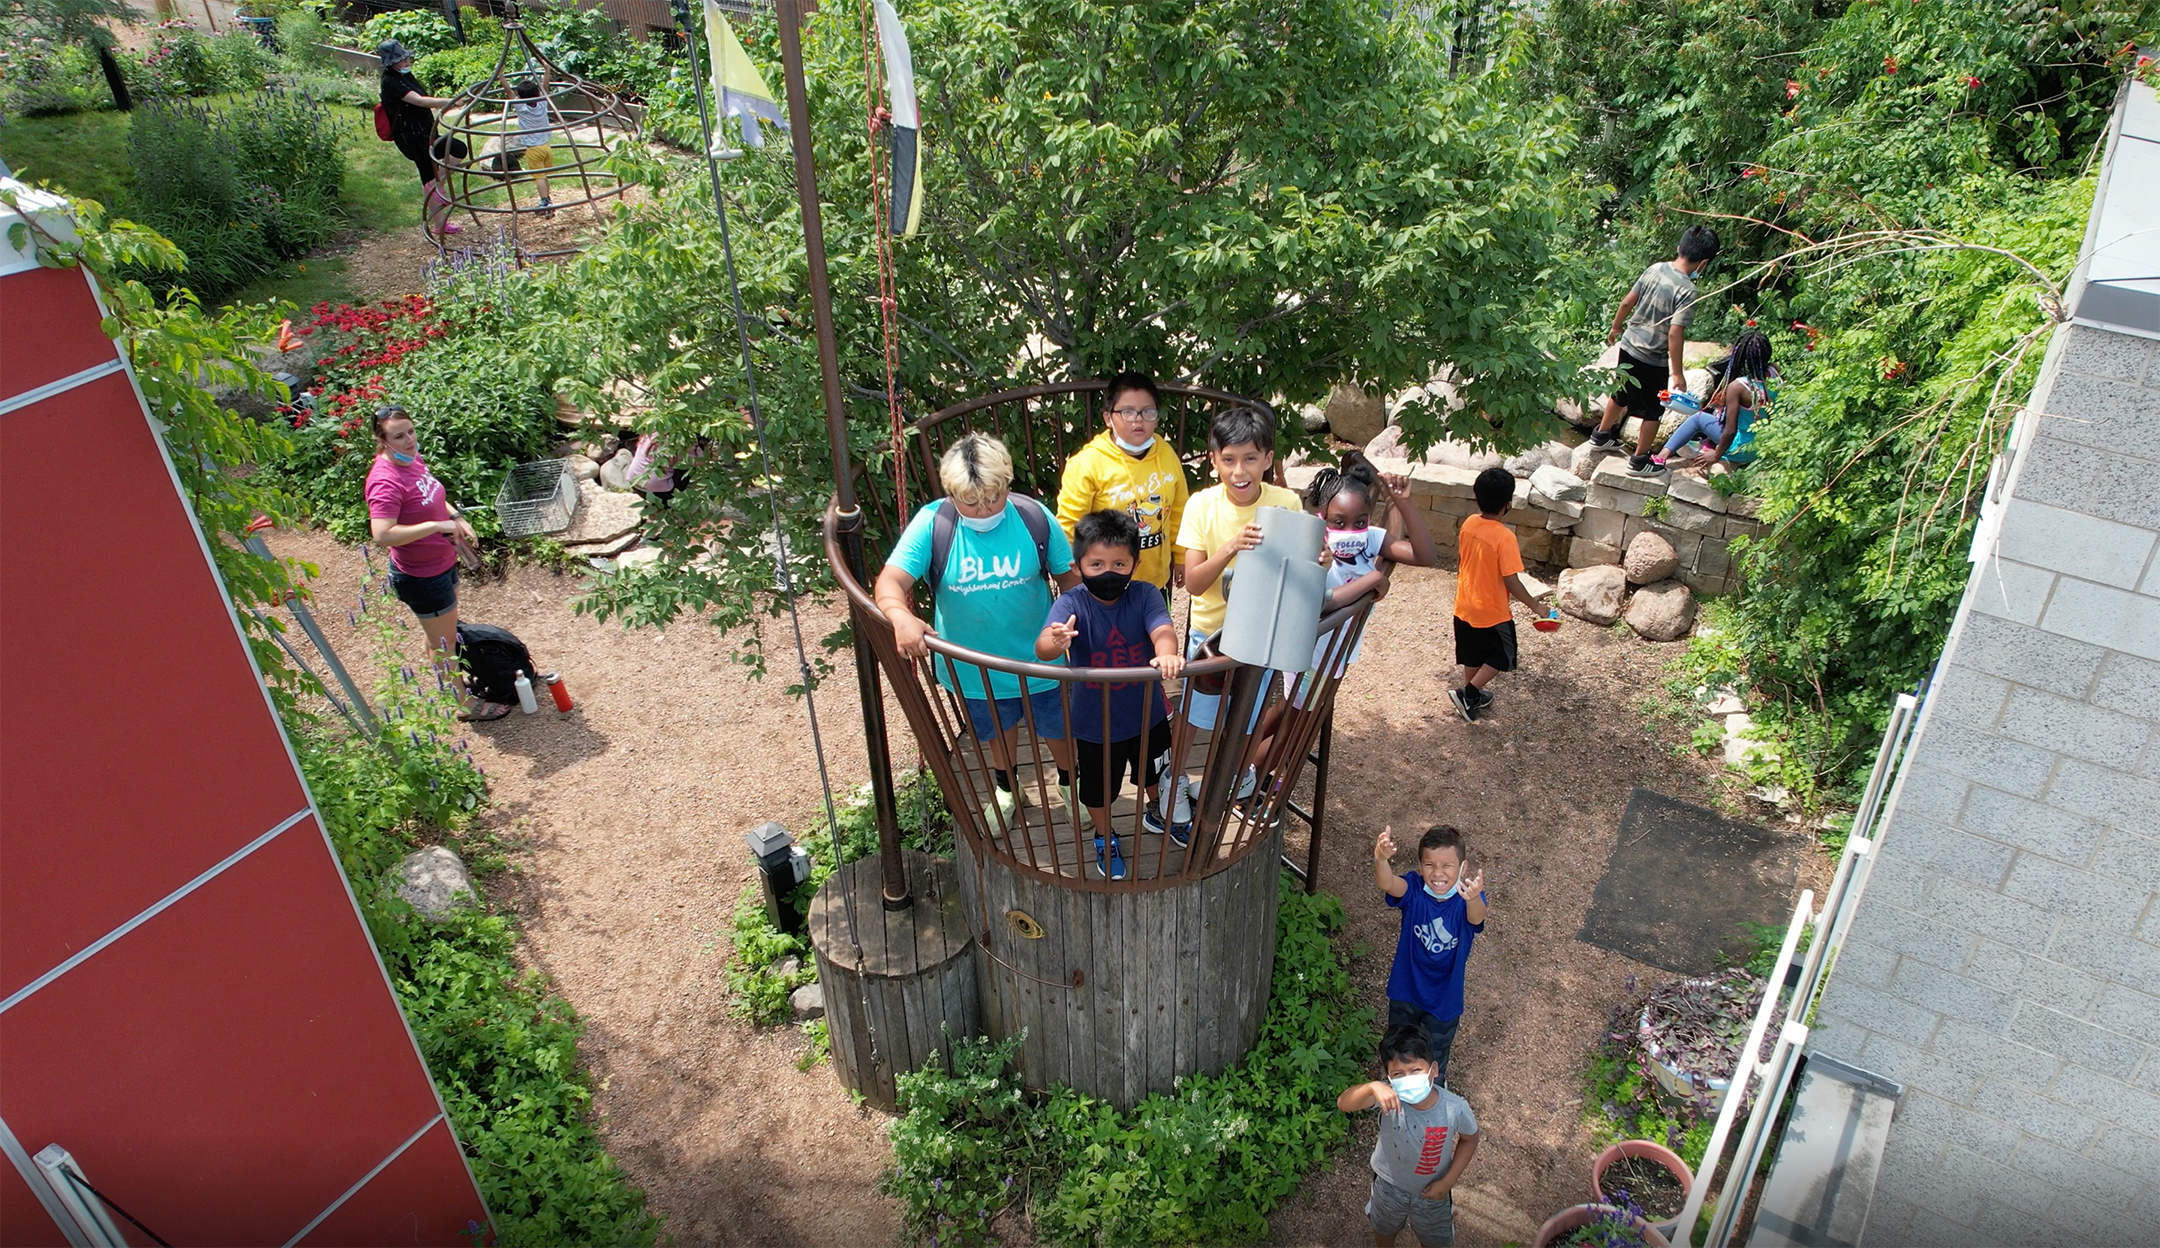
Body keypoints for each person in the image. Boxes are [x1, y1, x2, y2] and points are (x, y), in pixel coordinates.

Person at [876, 434, 1080, 825]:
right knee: (994, 732)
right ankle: (1007, 788)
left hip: (1041, 658)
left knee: (1058, 728)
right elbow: (890, 582)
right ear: (951, 493)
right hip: (974, 667)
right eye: (971, 501)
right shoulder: (934, 523)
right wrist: (900, 617)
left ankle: (1070, 783)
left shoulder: (1032, 516)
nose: (984, 510)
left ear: (1006, 485)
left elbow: (1067, 577)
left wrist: (1082, 617)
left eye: (993, 497)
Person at [1036, 510, 1185, 877]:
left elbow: (1162, 627)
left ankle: (1158, 810)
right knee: (1099, 790)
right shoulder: (1071, 603)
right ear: (1078, 565)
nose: (1109, 572)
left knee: (1155, 771)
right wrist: (1055, 641)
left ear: (1135, 563)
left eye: (1119, 563)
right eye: (1097, 563)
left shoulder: (1146, 594)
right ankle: (1104, 835)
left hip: (1146, 713)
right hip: (1094, 723)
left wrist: (1166, 650)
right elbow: (1043, 648)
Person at [364, 406, 507, 721]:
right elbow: (383, 533)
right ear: (381, 439)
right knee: (445, 644)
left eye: (411, 431)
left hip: (441, 563)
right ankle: (463, 705)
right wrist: (434, 527)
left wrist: (455, 517)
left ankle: (448, 686)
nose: (409, 440)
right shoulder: (385, 481)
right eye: (398, 436)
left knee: (439, 637)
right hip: (422, 576)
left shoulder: (411, 459)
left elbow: (431, 495)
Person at [1175, 404, 1301, 741]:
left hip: (1260, 635)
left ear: (1267, 459)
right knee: (1195, 713)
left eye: (1250, 459)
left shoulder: (1286, 504)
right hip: (1211, 633)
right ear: (1213, 460)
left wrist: (1320, 561)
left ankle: (1235, 777)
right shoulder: (1201, 505)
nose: (1239, 471)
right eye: (1229, 459)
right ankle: (1176, 775)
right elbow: (1195, 584)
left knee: (1247, 716)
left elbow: (1293, 580)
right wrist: (1231, 546)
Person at [1588, 224, 1721, 476]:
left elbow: (1628, 300)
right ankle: (1639, 460)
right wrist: (1678, 373)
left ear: (1679, 247)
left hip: (1629, 346)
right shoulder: (1688, 291)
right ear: (1703, 263)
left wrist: (1616, 327)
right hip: (1652, 357)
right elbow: (1675, 332)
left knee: (1621, 391)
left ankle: (1601, 434)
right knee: (1653, 410)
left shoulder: (1655, 268)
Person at [1337, 1024, 1482, 1248]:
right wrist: (1372, 1087)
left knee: (1434, 1239)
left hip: (1433, 1190)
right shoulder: (1389, 1096)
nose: (1408, 1079)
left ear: (1434, 1069)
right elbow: (1344, 1104)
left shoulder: (1455, 1108)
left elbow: (1470, 1138)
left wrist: (1449, 1180)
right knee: (1384, 1229)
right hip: (1388, 1185)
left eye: (1415, 1070)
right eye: (1398, 1074)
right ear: (1389, 1078)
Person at [1055, 371, 1189, 598]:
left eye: (1147, 412)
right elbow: (1068, 528)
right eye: (1127, 412)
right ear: (1108, 417)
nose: (1138, 420)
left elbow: (1178, 510)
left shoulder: (1165, 453)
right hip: (1106, 586)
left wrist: (1182, 556)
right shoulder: (1087, 464)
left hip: (1155, 583)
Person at [1373, 825, 1488, 1090]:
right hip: (1406, 990)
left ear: (1463, 868)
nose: (1437, 874)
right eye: (1429, 865)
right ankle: (1395, 1090)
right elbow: (1387, 883)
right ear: (1420, 866)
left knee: (1433, 1059)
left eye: (1447, 865)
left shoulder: (1466, 900)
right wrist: (1380, 858)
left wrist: (1472, 898)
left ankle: (1432, 1097)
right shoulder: (1414, 889)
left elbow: (1477, 917)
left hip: (1444, 1000)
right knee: (1398, 1048)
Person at [1448, 467, 1548, 723]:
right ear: (1508, 504)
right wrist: (1536, 607)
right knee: (1504, 654)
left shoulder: (1469, 523)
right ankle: (1468, 693)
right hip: (1491, 612)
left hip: (1464, 604)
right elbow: (1511, 581)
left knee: (1472, 654)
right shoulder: (1505, 538)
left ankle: (1471, 699)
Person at [1652, 325, 1774, 472]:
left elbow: (1730, 430)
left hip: (1741, 449)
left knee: (1698, 418)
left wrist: (1716, 455)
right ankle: (1704, 444)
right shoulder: (1775, 373)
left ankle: (1662, 456)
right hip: (1764, 446)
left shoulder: (1738, 387)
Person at [379, 41, 458, 224]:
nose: (406, 61)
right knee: (455, 150)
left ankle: (439, 221)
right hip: (413, 137)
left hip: (425, 132)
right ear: (391, 63)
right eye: (401, 59)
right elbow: (419, 101)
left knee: (431, 175)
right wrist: (449, 101)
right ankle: (436, 191)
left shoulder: (403, 76)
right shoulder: (391, 81)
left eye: (406, 57)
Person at [499, 77, 556, 212]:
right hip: (546, 146)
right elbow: (545, 87)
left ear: (520, 96)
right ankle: (547, 198)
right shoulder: (542, 102)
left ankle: (545, 202)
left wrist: (500, 76)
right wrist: (547, 69)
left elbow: (508, 91)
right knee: (543, 175)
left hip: (533, 149)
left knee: (539, 177)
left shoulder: (521, 106)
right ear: (537, 93)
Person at [423, 134, 470, 238]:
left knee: (428, 175)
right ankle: (436, 184)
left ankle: (439, 224)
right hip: (420, 139)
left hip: (414, 138)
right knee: (458, 148)